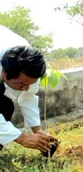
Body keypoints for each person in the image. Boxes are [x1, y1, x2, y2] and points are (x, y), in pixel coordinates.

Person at [0, 24, 58, 153]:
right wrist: (22, 138)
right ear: (4, 73)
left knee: (6, 106)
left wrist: (38, 131)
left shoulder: (28, 63)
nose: (26, 88)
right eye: (21, 85)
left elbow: (28, 97)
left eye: (29, 84)